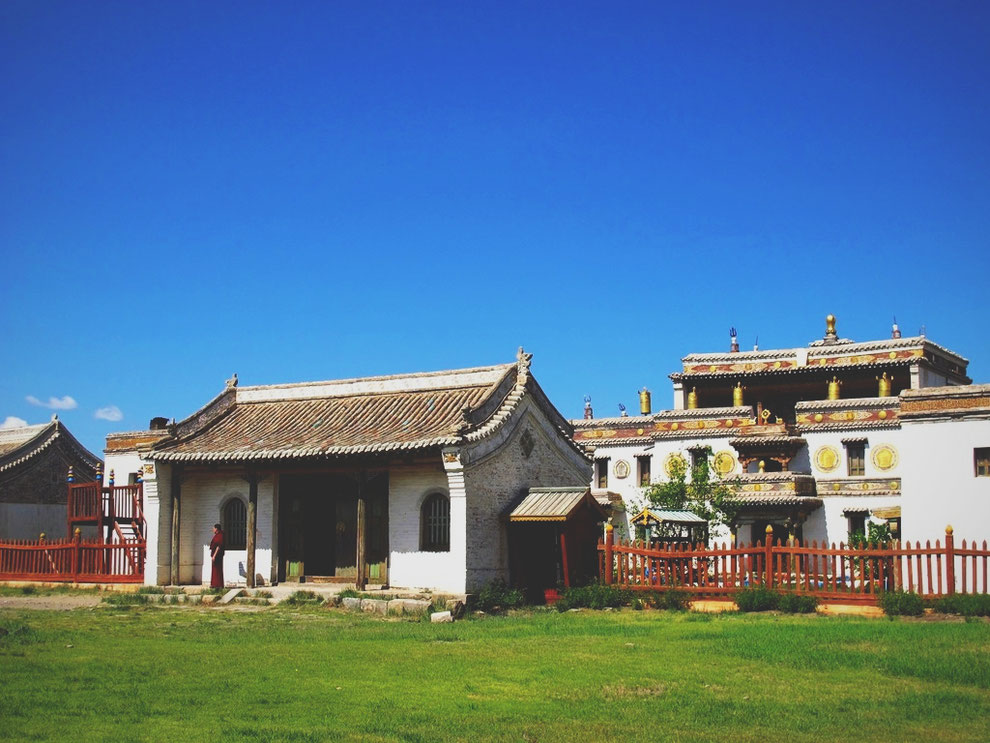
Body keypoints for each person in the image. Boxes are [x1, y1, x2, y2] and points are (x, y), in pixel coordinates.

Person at [210, 523, 224, 588]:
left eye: (213, 528)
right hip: (215, 555)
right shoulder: (217, 535)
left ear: (216, 529)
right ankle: (214, 584)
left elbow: (218, 546)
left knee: (217, 569)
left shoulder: (220, 535)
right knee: (215, 570)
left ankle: (218, 584)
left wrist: (214, 555)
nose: (213, 530)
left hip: (218, 555)